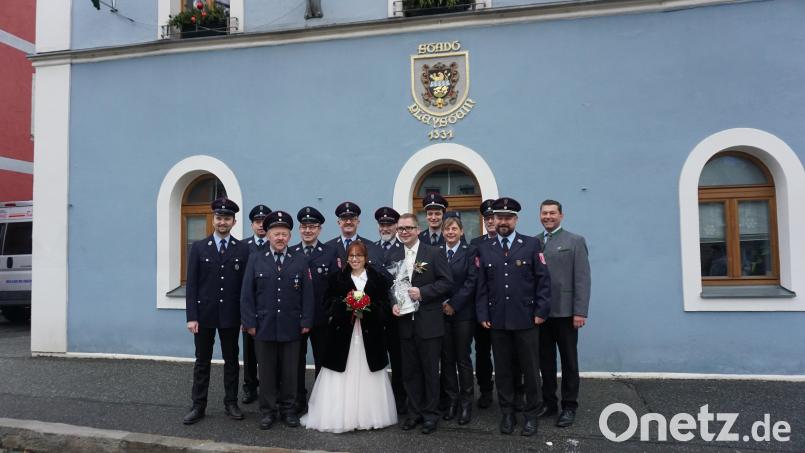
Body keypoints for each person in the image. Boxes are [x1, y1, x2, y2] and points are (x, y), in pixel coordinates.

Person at [302, 241, 398, 432]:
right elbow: (327, 303)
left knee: (368, 371)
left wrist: (367, 307)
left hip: (370, 336)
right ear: (347, 258)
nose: (355, 259)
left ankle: (368, 415)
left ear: (365, 258)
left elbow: (385, 305)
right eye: (351, 256)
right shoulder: (336, 278)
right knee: (341, 371)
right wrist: (346, 305)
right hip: (342, 336)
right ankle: (339, 416)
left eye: (359, 256)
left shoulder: (377, 278)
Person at [476, 197, 551, 437]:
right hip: (497, 320)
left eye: (508, 217)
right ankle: (507, 413)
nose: (503, 221)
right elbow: (482, 285)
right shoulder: (485, 248)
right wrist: (483, 313)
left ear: (515, 220)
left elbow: (543, 281)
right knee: (504, 370)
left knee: (530, 369)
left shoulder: (530, 245)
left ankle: (531, 414)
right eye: (499, 217)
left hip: (527, 319)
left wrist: (541, 312)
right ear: (493, 220)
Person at [240, 210, 314, 430]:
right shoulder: (255, 259)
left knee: (290, 372)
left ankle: (289, 410)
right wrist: (250, 323)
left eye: (284, 233)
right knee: (267, 372)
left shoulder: (299, 260)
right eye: (275, 233)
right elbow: (247, 294)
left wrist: (306, 321)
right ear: (268, 236)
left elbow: (307, 295)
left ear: (289, 236)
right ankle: (268, 411)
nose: (280, 238)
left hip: (291, 326)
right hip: (263, 326)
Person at [183, 197, 250, 425]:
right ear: (214, 219)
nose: (223, 222)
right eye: (219, 218)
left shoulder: (243, 249)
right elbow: (191, 285)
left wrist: (244, 316)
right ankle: (198, 406)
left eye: (227, 218)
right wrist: (191, 316)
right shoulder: (199, 248)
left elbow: (245, 288)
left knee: (232, 361)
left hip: (231, 317)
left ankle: (231, 403)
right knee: (202, 362)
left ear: (233, 221)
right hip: (204, 316)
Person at [393, 213, 453, 434]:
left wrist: (424, 292)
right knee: (410, 372)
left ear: (418, 230)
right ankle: (414, 413)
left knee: (429, 371)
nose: (404, 232)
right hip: (405, 323)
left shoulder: (434, 253)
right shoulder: (394, 254)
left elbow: (447, 282)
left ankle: (430, 415)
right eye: (400, 229)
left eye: (408, 228)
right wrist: (394, 303)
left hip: (429, 322)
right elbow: (391, 286)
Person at [537, 200, 591, 428]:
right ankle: (549, 403)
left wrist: (580, 311)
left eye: (552, 213)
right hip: (541, 314)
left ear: (561, 215)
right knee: (545, 362)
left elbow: (582, 278)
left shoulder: (575, 241)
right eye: (544, 213)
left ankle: (569, 406)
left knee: (569, 362)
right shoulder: (534, 242)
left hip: (567, 313)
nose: (548, 217)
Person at [290, 206, 336, 414]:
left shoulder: (330, 253)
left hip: (321, 319)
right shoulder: (291, 253)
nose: (308, 230)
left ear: (320, 229)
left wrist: (331, 313)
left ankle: (320, 400)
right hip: (296, 319)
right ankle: (298, 399)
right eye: (304, 226)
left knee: (322, 361)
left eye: (312, 227)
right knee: (296, 362)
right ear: (299, 229)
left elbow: (337, 287)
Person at [438, 214, 478, 425]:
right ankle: (451, 401)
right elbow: (434, 279)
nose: (450, 232)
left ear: (461, 232)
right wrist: (444, 303)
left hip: (463, 314)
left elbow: (472, 281)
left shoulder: (470, 251)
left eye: (454, 229)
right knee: (447, 359)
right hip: (442, 313)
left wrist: (454, 304)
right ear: (443, 232)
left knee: (462, 359)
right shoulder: (437, 252)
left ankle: (465, 404)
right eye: (447, 229)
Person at [374, 206, 407, 414]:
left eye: (389, 224)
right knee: (377, 359)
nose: (385, 228)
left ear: (396, 226)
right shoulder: (370, 248)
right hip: (375, 315)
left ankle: (400, 400)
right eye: (382, 224)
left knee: (399, 360)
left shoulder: (405, 249)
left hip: (398, 314)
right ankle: (379, 401)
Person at [241, 203, 271, 405]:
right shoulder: (243, 247)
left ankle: (271, 387)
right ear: (251, 224)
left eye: (264, 222)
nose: (261, 225)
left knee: (270, 352)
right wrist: (244, 315)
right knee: (250, 352)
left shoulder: (277, 244)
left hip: (270, 309)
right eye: (257, 222)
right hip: (250, 309)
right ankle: (250, 387)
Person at [469, 198, 497, 409]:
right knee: (482, 352)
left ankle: (514, 389)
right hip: (482, 308)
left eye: (493, 217)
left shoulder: (512, 242)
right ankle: (486, 390)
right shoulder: (476, 244)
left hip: (505, 309)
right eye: (486, 218)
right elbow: (474, 278)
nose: (490, 221)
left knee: (509, 353)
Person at [326, 201, 386, 273]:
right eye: (345, 219)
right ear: (339, 222)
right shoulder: (328, 247)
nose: (348, 222)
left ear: (358, 222)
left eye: (352, 218)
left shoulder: (370, 246)